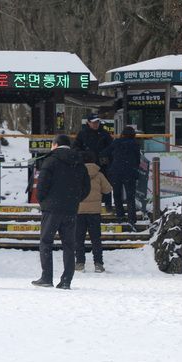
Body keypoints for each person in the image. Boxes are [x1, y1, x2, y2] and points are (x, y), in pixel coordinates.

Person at [32, 134, 90, 290]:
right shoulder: (79, 162)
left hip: (52, 208)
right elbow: (86, 188)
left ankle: (46, 277)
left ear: (55, 145)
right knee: (69, 245)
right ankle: (66, 280)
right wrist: (75, 200)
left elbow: (41, 187)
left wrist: (43, 201)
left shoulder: (50, 160)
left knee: (46, 242)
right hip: (71, 209)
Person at [75, 151, 112, 273]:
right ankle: (98, 263)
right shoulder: (99, 175)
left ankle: (80, 263)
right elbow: (107, 189)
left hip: (79, 212)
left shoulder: (77, 174)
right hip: (95, 212)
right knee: (96, 239)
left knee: (78, 238)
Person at [100, 126, 140, 228]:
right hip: (130, 173)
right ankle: (132, 218)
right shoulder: (135, 144)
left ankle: (120, 216)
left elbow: (105, 152)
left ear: (122, 134)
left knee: (117, 195)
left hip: (116, 172)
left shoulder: (116, 142)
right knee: (130, 196)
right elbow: (137, 159)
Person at [73, 113, 114, 210]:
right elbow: (75, 148)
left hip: (102, 165)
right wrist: (85, 155)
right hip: (86, 165)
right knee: (86, 185)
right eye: (94, 122)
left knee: (105, 184)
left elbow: (112, 147)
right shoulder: (82, 134)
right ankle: (84, 204)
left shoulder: (104, 134)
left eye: (97, 122)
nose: (96, 124)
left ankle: (107, 205)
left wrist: (104, 154)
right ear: (88, 123)